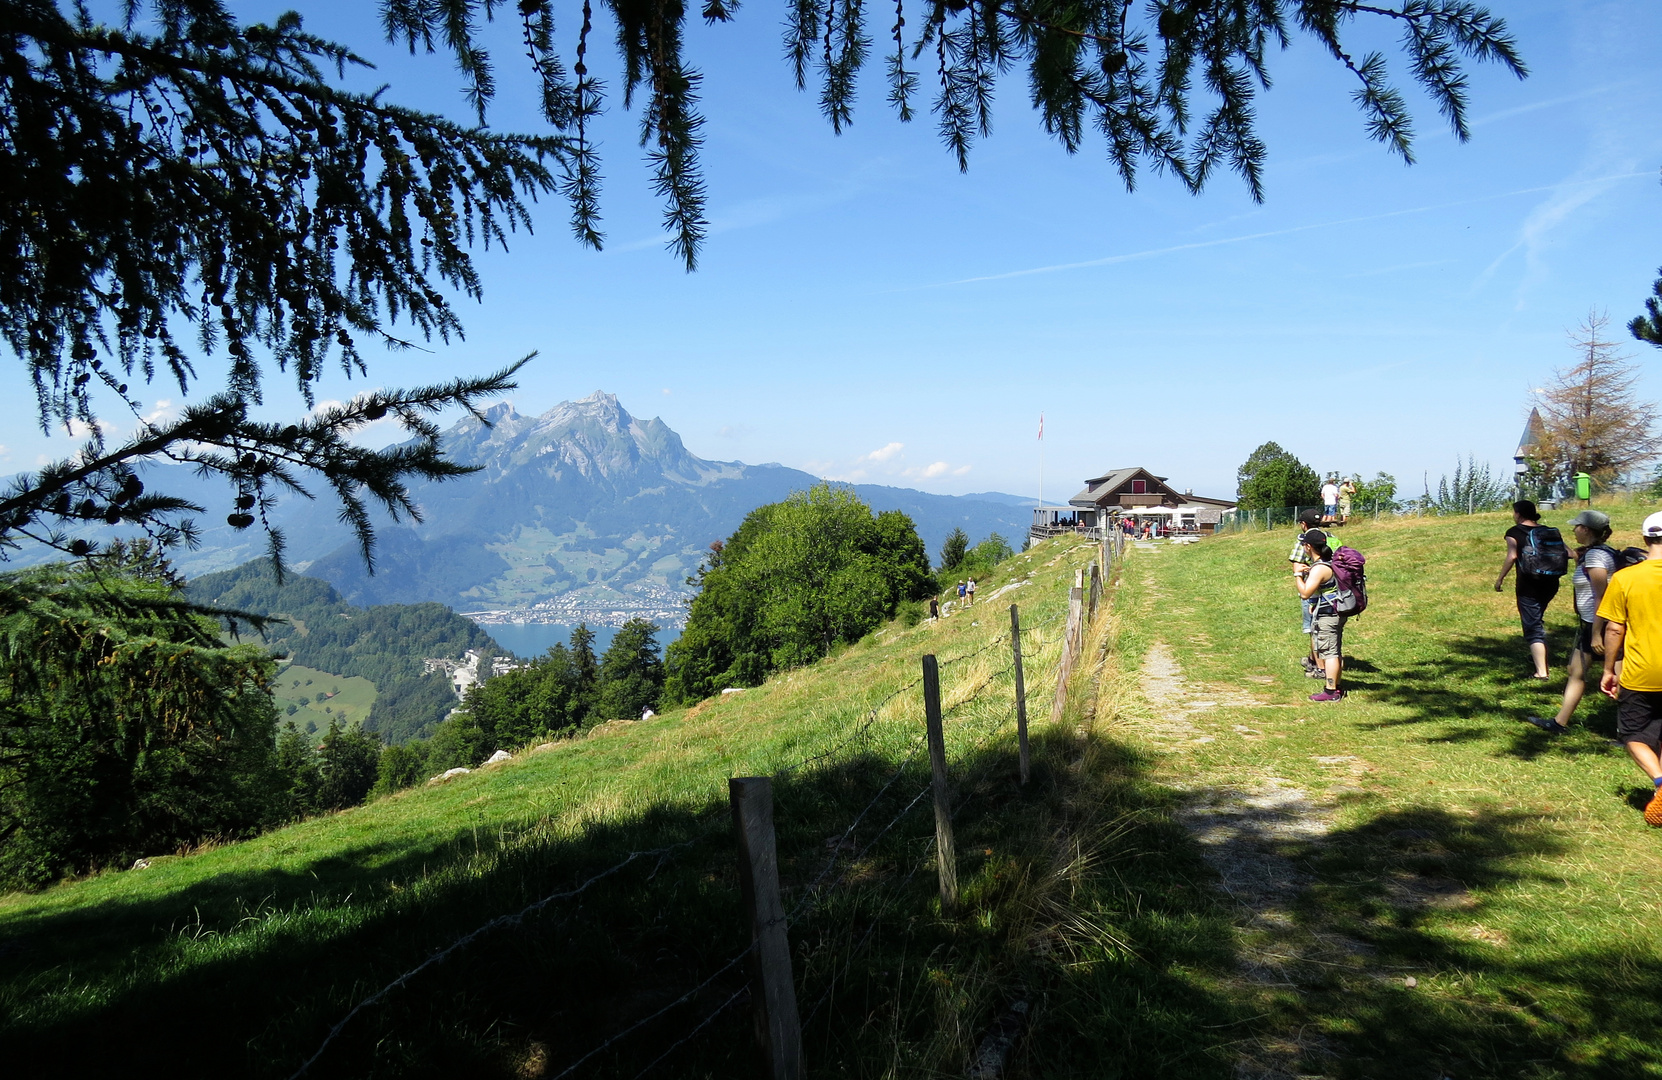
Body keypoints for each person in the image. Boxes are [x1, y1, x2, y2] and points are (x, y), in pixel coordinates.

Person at [1598, 511, 1662, 826]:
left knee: (1633, 733)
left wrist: (1609, 668)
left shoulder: (1626, 577)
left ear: (1645, 539)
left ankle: (1661, 783)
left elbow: (1614, 629)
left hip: (1643, 670)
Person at [1527, 510, 1616, 734]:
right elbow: (1572, 554)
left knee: (1621, 680)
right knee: (1575, 670)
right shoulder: (1595, 552)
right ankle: (1559, 723)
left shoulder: (1596, 558)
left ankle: (1633, 731)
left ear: (1585, 529)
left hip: (1603, 625)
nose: (1574, 529)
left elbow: (1601, 597)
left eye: (1576, 526)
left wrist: (1596, 633)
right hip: (1592, 624)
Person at [1495, 499, 1561, 680]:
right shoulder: (1548, 531)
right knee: (1536, 617)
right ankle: (1537, 654)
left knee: (1532, 627)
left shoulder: (1513, 532)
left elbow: (1512, 556)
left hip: (1528, 584)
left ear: (1518, 514)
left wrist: (1500, 579)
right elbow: (1568, 552)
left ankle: (1541, 672)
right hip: (1551, 582)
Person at [1296, 528, 1347, 701]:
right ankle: (1337, 687)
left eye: (1304, 544)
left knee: (1329, 653)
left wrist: (1297, 575)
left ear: (1309, 547)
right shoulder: (1328, 562)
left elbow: (1305, 593)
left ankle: (1331, 691)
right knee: (1335, 650)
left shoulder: (1319, 568)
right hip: (1337, 611)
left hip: (1328, 615)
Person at [1290, 508, 1325, 677]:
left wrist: (1300, 574)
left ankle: (1319, 667)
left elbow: (1296, 565)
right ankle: (1313, 660)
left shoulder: (1303, 541)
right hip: (1331, 590)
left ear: (1303, 524)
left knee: (1313, 629)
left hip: (1312, 590)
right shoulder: (1330, 538)